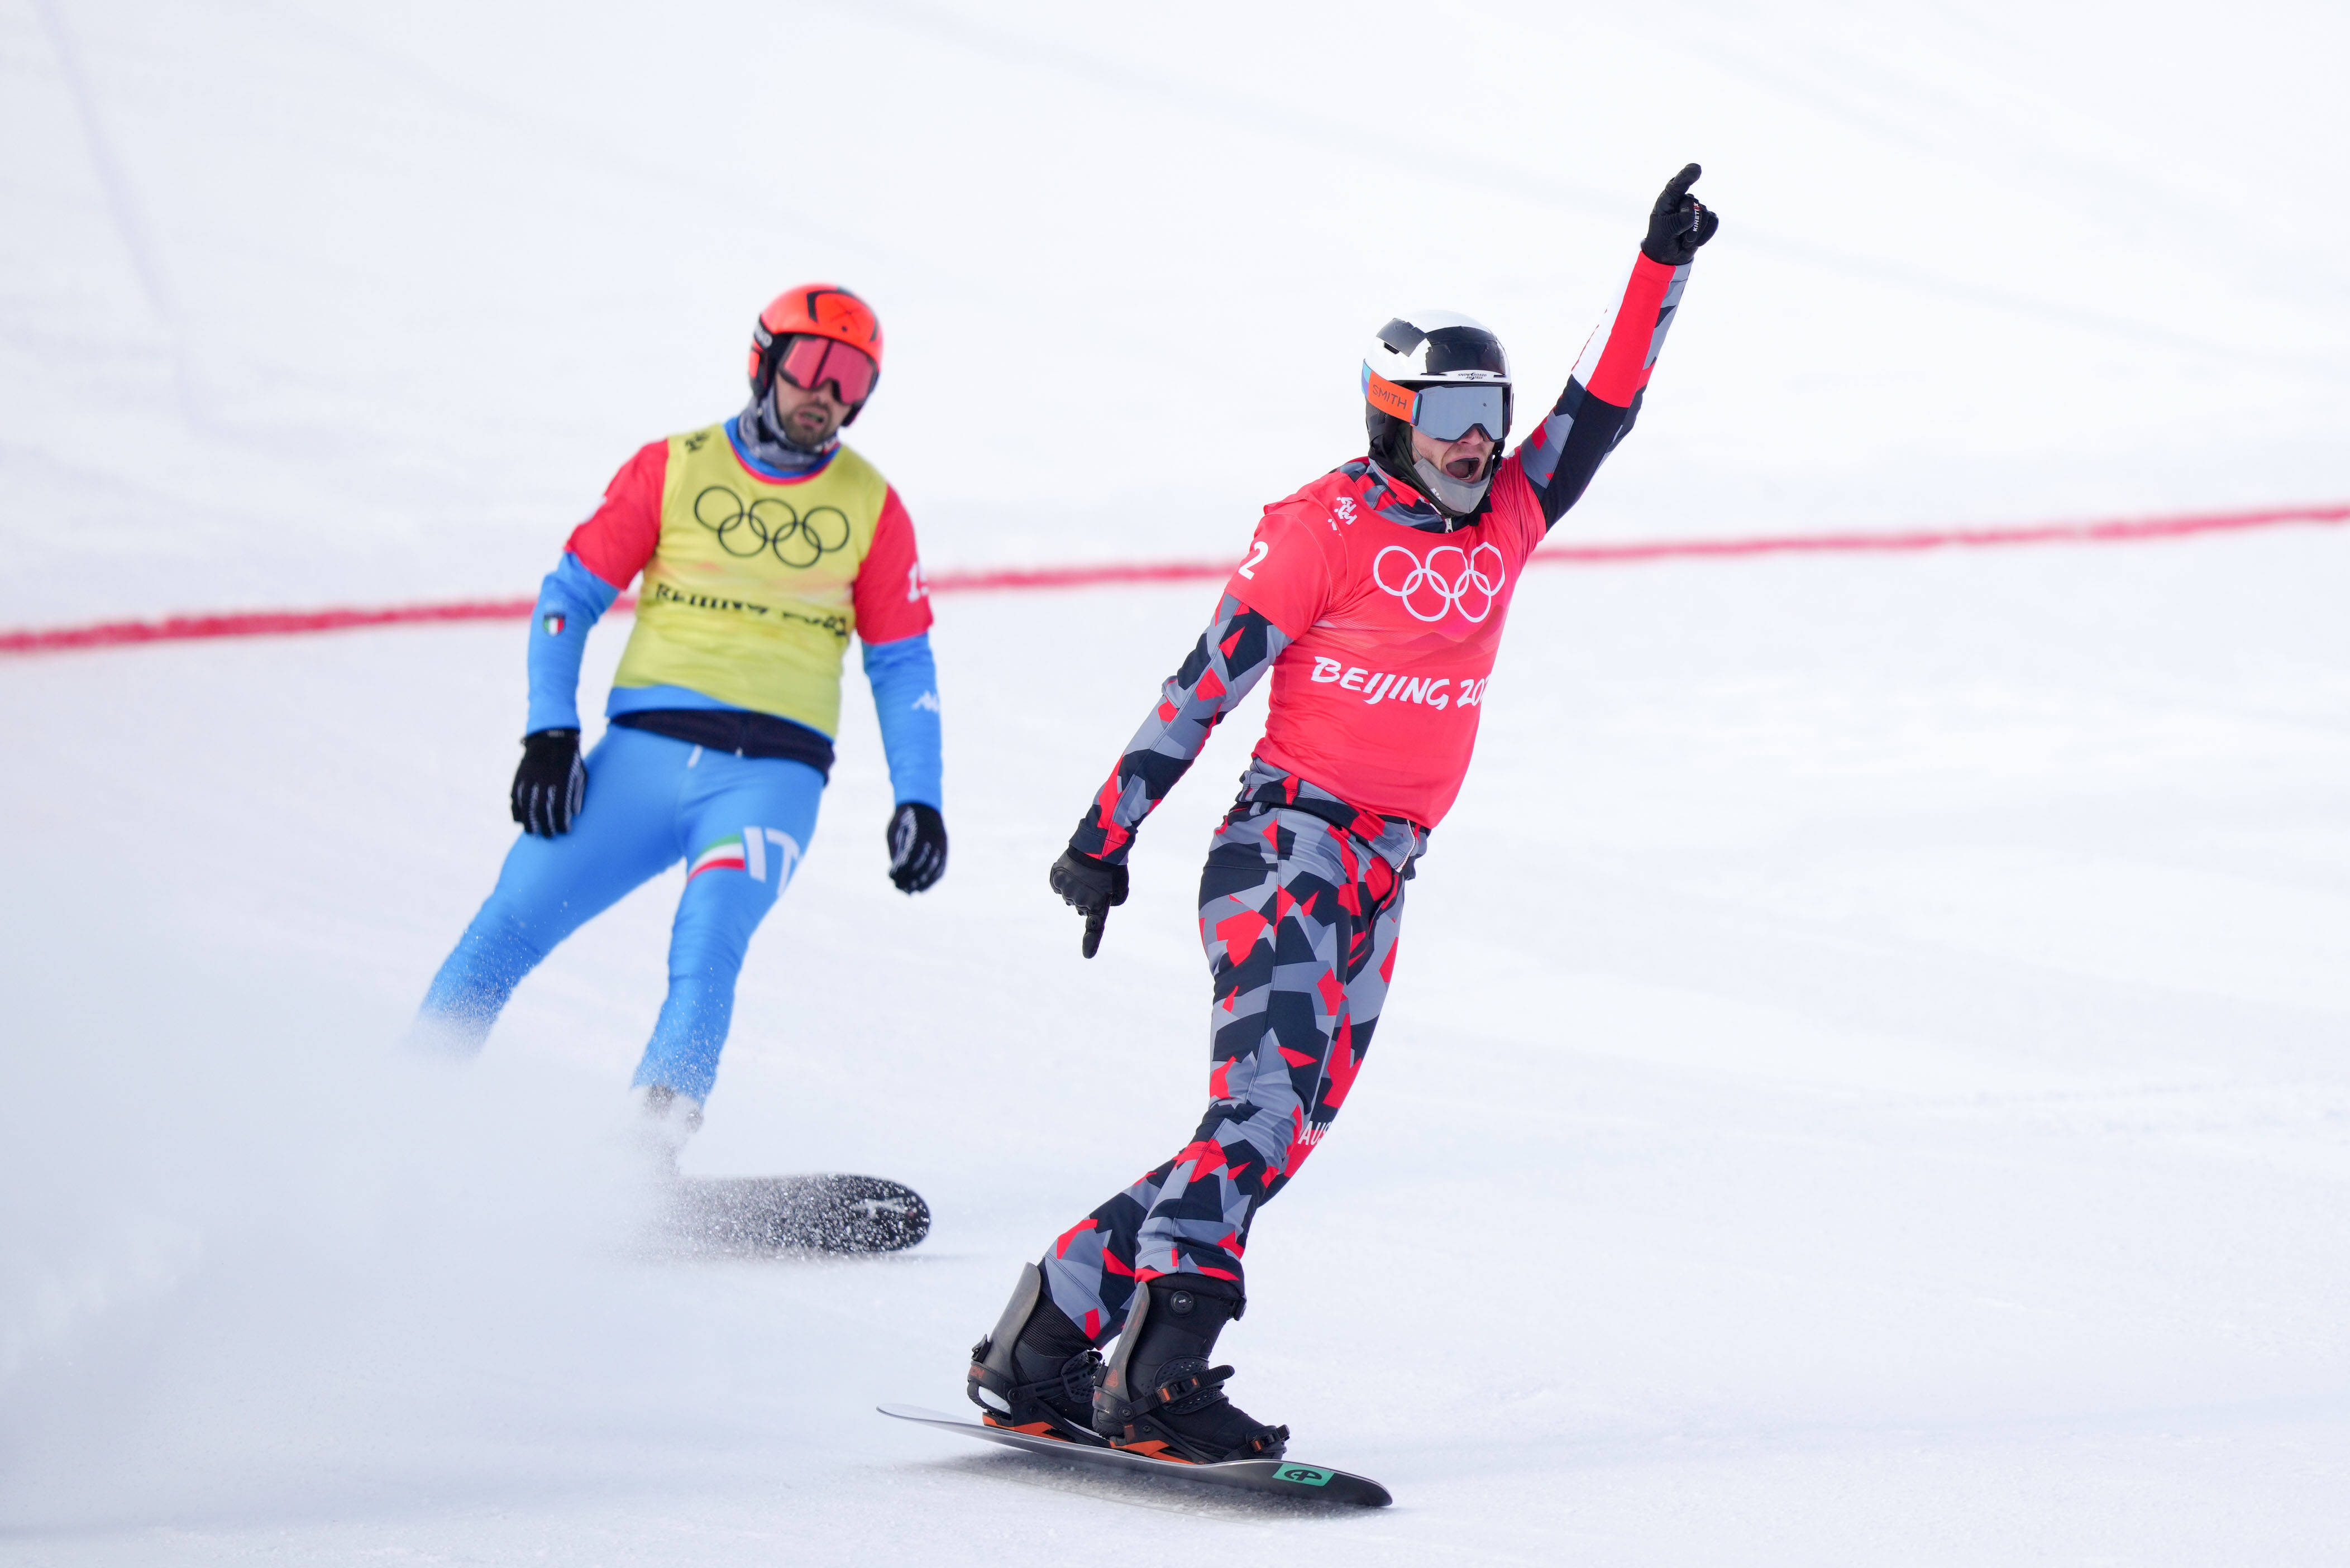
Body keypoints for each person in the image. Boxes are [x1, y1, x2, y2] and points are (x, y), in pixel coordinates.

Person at [966, 169, 1720, 1462]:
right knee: (1256, 1118)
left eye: (1488, 411)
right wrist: (1103, 836)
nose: (1477, 440)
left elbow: (1601, 409)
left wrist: (1660, 270)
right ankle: (1155, 1381)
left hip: (1382, 873)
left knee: (1270, 1139)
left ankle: (1043, 1336)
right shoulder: (1321, 531)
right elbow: (1200, 689)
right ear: (1390, 416)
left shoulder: (1510, 516)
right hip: (1286, 852)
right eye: (1447, 416)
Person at [413, 283, 945, 1150]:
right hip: (639, 759)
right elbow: (567, 598)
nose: (828, 393)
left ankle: (645, 1151)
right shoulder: (675, 466)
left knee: (709, 941)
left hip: (771, 778)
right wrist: (550, 731)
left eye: (852, 377)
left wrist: (918, 796)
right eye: (812, 364)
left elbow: (903, 664)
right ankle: (401, 1102)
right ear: (763, 363)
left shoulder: (874, 508)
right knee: (509, 919)